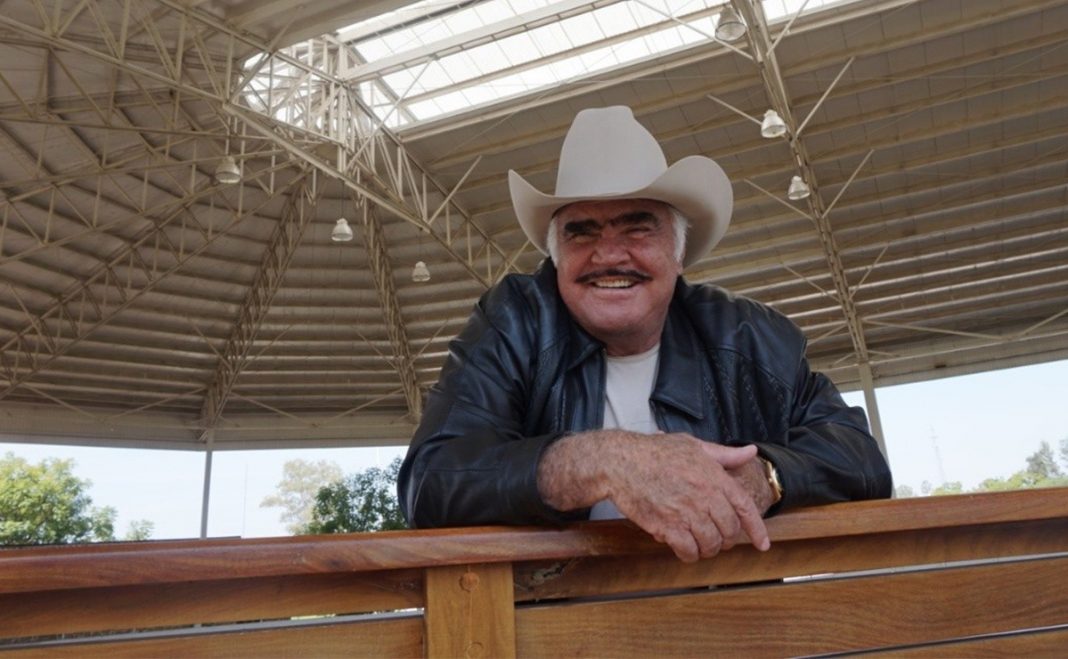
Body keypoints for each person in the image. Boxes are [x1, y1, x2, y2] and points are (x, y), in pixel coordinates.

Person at [398, 106, 892, 562]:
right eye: (582, 231)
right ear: (556, 258)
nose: (609, 254)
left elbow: (861, 458)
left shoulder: (748, 336)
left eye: (638, 228)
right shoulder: (514, 321)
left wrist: (764, 477)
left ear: (679, 254)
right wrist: (602, 460)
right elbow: (431, 483)